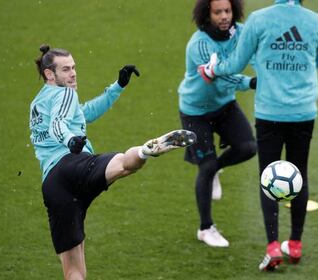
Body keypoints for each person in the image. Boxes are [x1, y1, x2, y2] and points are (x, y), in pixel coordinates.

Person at [30, 45, 196, 280]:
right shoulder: (65, 94)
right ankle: (145, 151)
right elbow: (58, 124)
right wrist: (69, 141)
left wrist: (116, 87)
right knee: (122, 165)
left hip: (54, 186)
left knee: (74, 271)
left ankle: (145, 152)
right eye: (66, 69)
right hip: (72, 164)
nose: (73, 74)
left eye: (74, 68)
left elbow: (82, 114)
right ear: (49, 74)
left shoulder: (38, 103)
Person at [198, 0, 318, 271]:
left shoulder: (258, 20)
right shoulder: (316, 22)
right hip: (303, 111)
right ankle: (295, 243)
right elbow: (316, 61)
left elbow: (236, 62)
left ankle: (272, 246)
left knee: (269, 175)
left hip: (270, 111)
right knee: (298, 173)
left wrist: (213, 69)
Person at [177, 0, 257, 248]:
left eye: (227, 11)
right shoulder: (199, 44)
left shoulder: (241, 33)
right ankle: (205, 228)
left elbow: (256, 55)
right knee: (206, 165)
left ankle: (215, 170)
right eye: (217, 12)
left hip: (224, 106)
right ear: (207, 14)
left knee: (248, 148)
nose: (224, 16)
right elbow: (218, 79)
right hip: (195, 111)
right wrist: (250, 83)